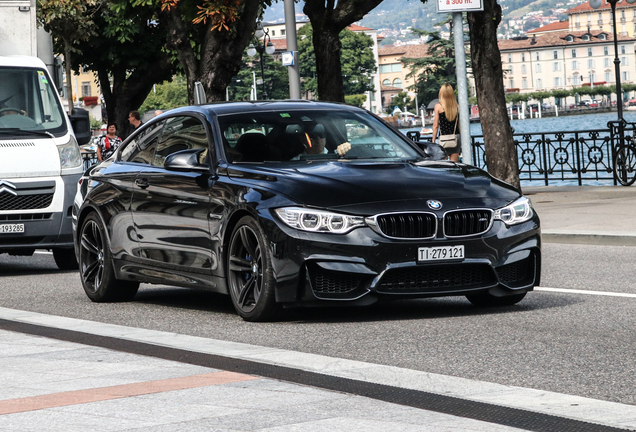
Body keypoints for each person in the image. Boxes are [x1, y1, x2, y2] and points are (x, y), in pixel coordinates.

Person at [432, 83, 460, 162]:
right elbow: (459, 125)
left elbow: (435, 125)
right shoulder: (457, 106)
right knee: (454, 165)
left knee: (444, 165)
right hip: (455, 138)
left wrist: (433, 140)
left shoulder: (438, 106)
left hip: (443, 139)